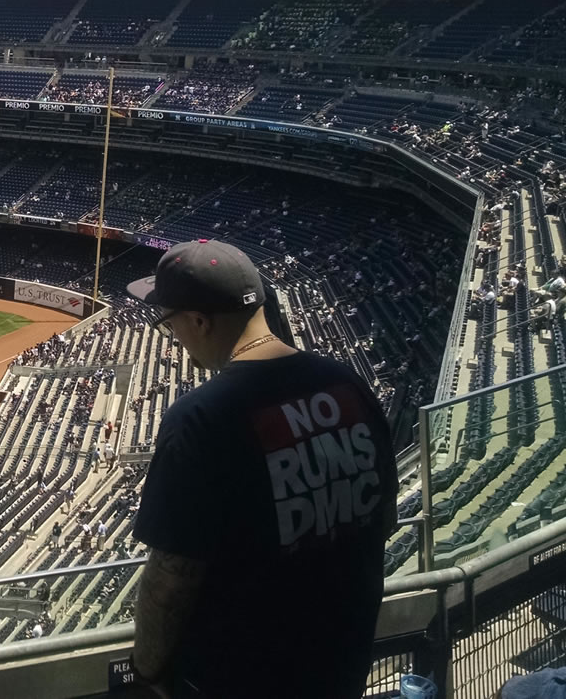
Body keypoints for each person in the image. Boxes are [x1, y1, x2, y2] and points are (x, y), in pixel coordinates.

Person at [126, 239, 397, 699]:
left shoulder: (199, 419)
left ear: (199, 321)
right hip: (341, 665)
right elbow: (383, 519)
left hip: (238, 677)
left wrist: (147, 672)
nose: (174, 337)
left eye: (170, 322)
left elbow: (171, 578)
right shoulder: (348, 383)